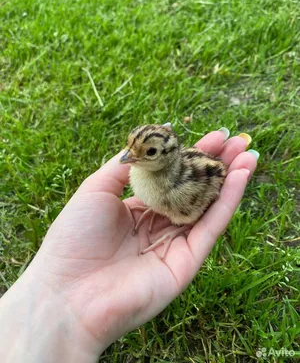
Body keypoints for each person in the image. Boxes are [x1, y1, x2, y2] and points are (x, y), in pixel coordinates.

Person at [0, 129, 258, 362]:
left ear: (167, 156)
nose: (125, 157)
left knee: (183, 212)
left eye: (149, 152)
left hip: (183, 202)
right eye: (131, 147)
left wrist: (180, 227)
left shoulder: (177, 189)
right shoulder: (145, 173)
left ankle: (178, 225)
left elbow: (194, 203)